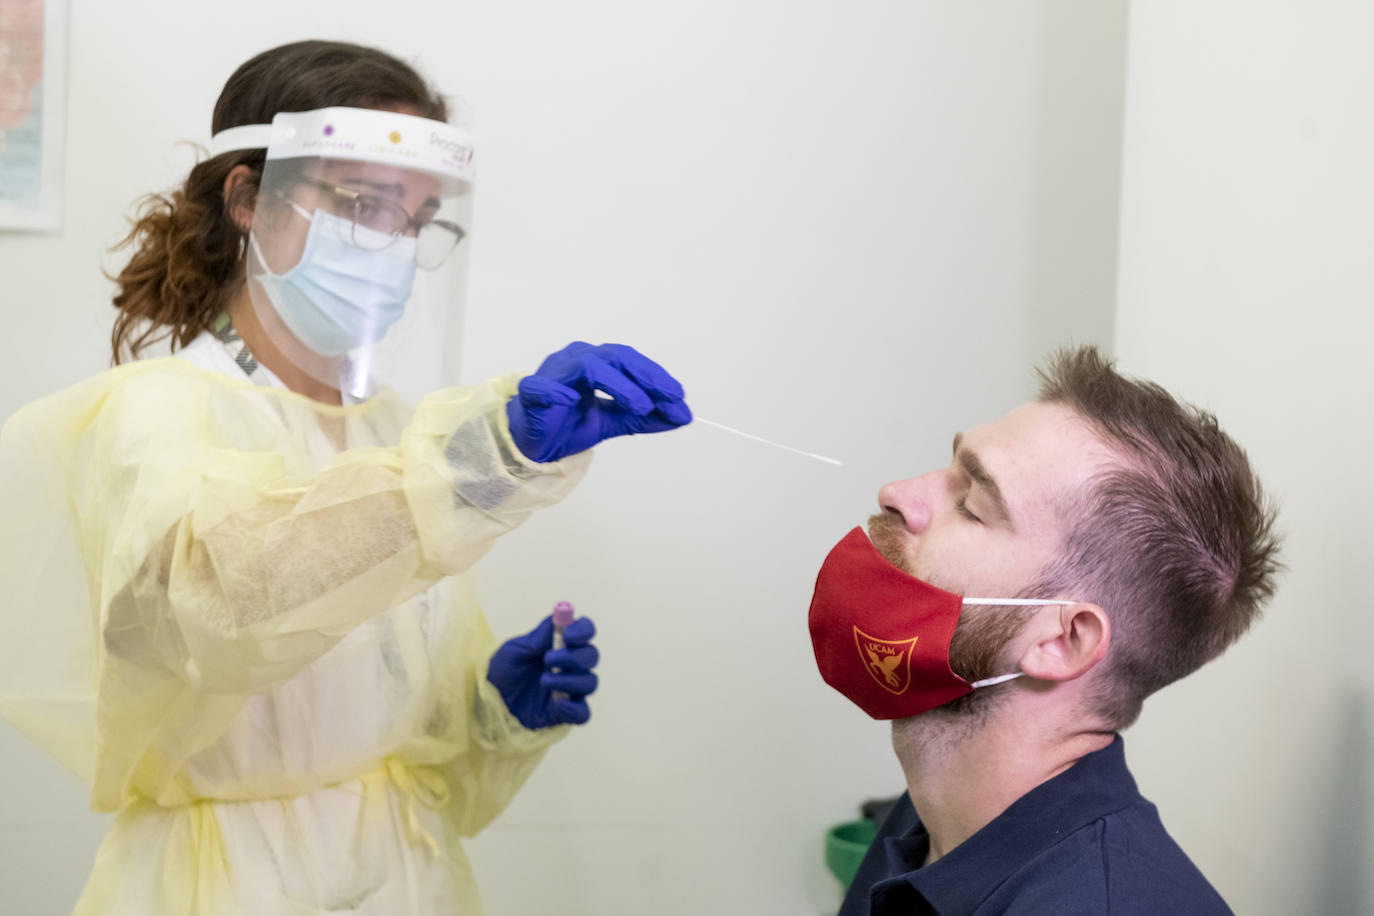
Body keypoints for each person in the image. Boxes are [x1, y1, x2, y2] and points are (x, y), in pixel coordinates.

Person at [0, 41, 690, 915]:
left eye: (418, 217)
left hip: (407, 878)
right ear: (248, 197)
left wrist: (492, 717)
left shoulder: (397, 432)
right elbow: (223, 598)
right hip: (223, 886)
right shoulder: (164, 413)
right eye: (364, 204)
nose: (395, 245)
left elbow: (426, 775)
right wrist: (486, 456)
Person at [808, 346, 1280, 915]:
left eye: (972, 504)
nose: (897, 492)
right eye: (949, 467)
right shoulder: (934, 821)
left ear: (1062, 641)